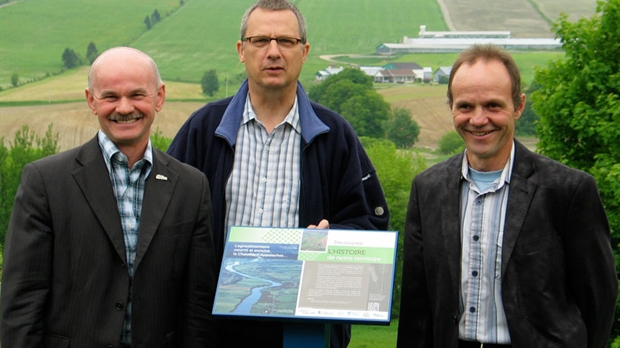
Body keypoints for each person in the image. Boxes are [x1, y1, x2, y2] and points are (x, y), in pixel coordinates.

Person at [166, 0, 389, 346]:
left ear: (304, 51)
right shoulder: (203, 129)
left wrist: (333, 241)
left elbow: (370, 224)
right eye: (260, 41)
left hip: (301, 332)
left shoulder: (335, 135)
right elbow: (164, 218)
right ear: (242, 50)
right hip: (212, 329)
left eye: (286, 41)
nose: (273, 52)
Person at [396, 43, 618, 348]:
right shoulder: (427, 189)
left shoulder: (568, 191)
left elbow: (599, 300)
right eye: (465, 106)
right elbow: (416, 303)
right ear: (452, 108)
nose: (477, 119)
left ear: (519, 106)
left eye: (492, 105)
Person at [0, 47, 219, 347]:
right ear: (92, 100)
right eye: (111, 97)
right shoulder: (45, 182)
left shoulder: (191, 187)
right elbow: (22, 301)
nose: (125, 107)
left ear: (160, 97)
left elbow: (198, 306)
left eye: (137, 95)